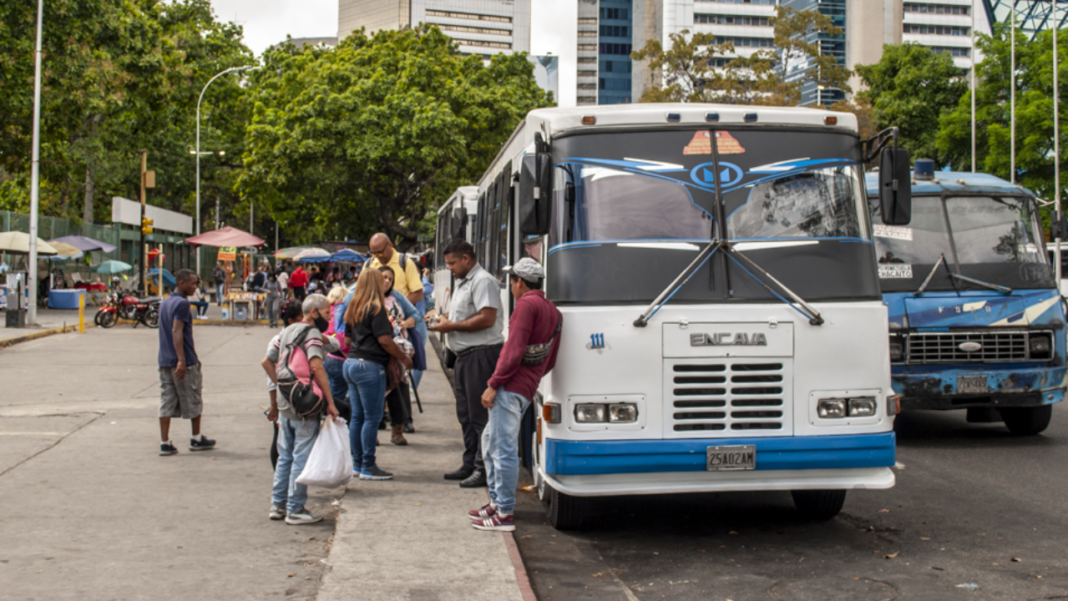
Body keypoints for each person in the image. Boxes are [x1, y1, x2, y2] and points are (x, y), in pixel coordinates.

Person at [470, 259, 561, 532]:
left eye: (511, 281)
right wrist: (531, 380)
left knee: (501, 450)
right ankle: (497, 503)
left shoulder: (526, 305)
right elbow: (551, 358)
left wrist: (494, 383)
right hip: (525, 387)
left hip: (510, 387)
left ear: (519, 281)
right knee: (491, 443)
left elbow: (513, 349)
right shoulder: (554, 311)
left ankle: (504, 512)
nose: (510, 286)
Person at [427, 239, 504, 488]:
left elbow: (487, 319)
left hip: (481, 355)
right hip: (464, 355)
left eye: (452, 263)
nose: (449, 268)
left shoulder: (483, 281)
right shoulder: (463, 282)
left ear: (466, 259)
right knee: (466, 414)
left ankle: (483, 470)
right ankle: (470, 462)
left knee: (480, 416)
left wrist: (451, 326)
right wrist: (443, 318)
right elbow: (463, 315)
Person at [261, 294, 341, 525]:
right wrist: (330, 402)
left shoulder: (288, 330)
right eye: (326, 313)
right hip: (305, 405)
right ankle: (295, 509)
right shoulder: (313, 334)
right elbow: (316, 365)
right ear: (314, 312)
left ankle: (278, 505)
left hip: (286, 404)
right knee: (301, 457)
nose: (329, 317)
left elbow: (267, 361)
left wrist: (283, 388)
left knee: (285, 456)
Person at [342, 269, 412, 481]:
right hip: (370, 366)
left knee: (357, 417)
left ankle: (357, 463)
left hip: (351, 363)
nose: (385, 283)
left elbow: (346, 341)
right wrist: (404, 357)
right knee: (372, 418)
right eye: (381, 280)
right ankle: (368, 465)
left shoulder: (352, 308)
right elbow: (384, 340)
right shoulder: (376, 308)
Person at [157, 269, 216, 456]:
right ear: (181, 283)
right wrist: (182, 360)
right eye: (193, 283)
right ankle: (196, 438)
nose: (195, 287)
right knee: (193, 398)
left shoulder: (165, 302)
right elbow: (176, 331)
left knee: (166, 399)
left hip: (164, 360)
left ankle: (165, 442)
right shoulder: (182, 304)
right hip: (184, 361)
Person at [379, 266, 421, 445]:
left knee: (399, 389)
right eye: (384, 277)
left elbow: (415, 315)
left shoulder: (398, 297)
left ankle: (399, 428)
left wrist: (405, 324)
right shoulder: (367, 298)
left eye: (390, 278)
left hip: (398, 350)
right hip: (378, 352)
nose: (387, 281)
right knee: (376, 392)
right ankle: (373, 431)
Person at [265, 299, 304, 469]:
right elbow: (268, 368)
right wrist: (275, 401)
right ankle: (280, 477)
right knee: (280, 438)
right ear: (291, 320)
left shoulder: (299, 335)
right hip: (284, 398)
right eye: (301, 316)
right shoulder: (280, 339)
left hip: (296, 395)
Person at [367, 233, 424, 307]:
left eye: (380, 252)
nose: (377, 256)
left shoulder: (405, 263)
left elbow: (418, 294)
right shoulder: (368, 264)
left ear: (390, 245)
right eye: (374, 254)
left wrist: (397, 306)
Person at [322, 285, 352, 423]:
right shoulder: (343, 310)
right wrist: (348, 355)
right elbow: (342, 338)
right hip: (340, 358)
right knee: (339, 398)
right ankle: (336, 426)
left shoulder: (329, 312)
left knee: (331, 393)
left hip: (327, 357)